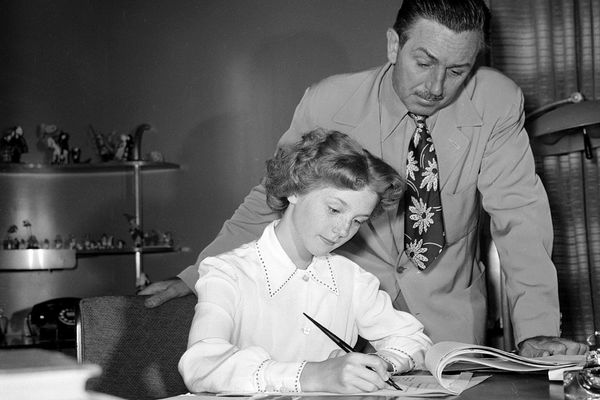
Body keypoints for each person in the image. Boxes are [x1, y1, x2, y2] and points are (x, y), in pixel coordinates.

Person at [142, 0, 588, 357]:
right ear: (394, 45)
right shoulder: (328, 103)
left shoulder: (497, 102)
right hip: (339, 319)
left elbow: (521, 220)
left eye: (457, 71)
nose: (436, 87)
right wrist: (198, 271)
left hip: (448, 325)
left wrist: (536, 332)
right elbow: (274, 196)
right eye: (424, 62)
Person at [178, 130, 432, 394]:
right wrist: (309, 375)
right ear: (294, 190)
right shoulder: (227, 272)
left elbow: (414, 339)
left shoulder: (351, 278)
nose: (343, 230)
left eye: (358, 221)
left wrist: (380, 363)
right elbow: (201, 366)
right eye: (334, 209)